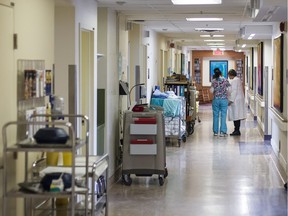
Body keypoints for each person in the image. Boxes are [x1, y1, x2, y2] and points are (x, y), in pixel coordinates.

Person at [210, 68, 231, 137]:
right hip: (224, 100)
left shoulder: (213, 81)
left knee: (215, 115)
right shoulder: (225, 80)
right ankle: (223, 132)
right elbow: (230, 89)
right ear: (221, 73)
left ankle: (215, 132)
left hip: (216, 100)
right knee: (223, 115)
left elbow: (211, 91)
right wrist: (226, 94)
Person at [227, 69, 246, 136]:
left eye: (229, 75)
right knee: (237, 115)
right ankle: (237, 130)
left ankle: (237, 130)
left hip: (235, 100)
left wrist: (230, 100)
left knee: (235, 116)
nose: (228, 76)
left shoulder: (235, 80)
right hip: (238, 100)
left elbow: (234, 91)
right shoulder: (237, 79)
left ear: (231, 74)